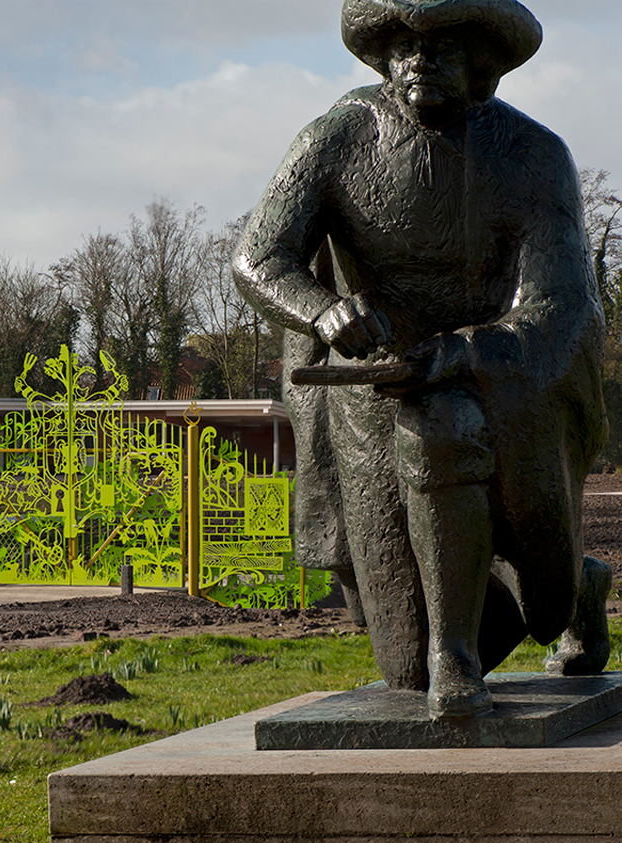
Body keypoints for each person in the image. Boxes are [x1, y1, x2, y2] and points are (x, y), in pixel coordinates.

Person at [233, 0, 611, 718]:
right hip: (366, 391)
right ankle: (545, 597)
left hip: (497, 381)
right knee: (398, 665)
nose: (417, 61)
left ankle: (460, 653)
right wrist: (323, 309)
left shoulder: (533, 157)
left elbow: (559, 307)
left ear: (480, 59)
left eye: (440, 46)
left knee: (440, 427)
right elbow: (259, 258)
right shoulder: (338, 136)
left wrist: (460, 355)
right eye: (401, 44)